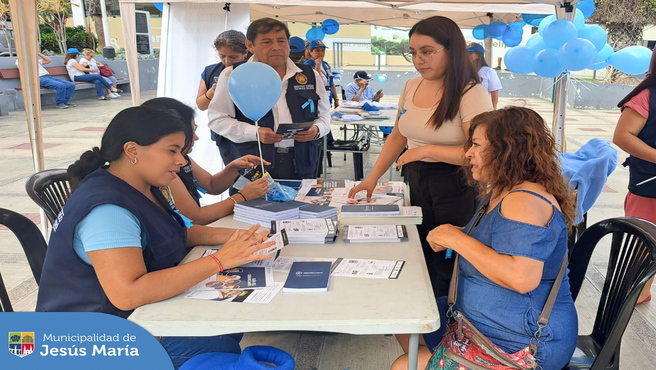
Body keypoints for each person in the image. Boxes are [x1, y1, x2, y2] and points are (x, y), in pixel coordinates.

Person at [35, 106, 274, 369]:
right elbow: (127, 293)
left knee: (224, 319)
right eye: (171, 151)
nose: (181, 161)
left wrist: (246, 238)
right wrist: (219, 261)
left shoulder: (142, 186)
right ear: (132, 150)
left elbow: (175, 233)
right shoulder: (108, 211)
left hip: (132, 318)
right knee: (212, 343)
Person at [392, 107, 578, 370]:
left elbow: (521, 278)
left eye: (477, 145)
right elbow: (497, 242)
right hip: (476, 321)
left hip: (519, 343)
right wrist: (454, 234)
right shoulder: (504, 191)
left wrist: (455, 239)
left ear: (507, 150)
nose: (468, 153)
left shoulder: (524, 201)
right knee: (404, 320)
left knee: (404, 365)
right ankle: (445, 356)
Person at [348, 16, 492, 297]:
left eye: (427, 51)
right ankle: (427, 315)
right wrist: (372, 179)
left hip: (456, 183)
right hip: (417, 177)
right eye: (413, 53)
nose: (418, 60)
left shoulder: (471, 93)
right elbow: (397, 136)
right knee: (423, 245)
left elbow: (480, 153)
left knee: (448, 256)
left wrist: (426, 150)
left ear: (451, 50)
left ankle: (448, 322)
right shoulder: (411, 86)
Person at [208, 18, 331, 180]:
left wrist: (316, 131)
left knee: (301, 204)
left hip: (302, 161)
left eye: (282, 41)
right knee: (252, 205)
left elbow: (325, 115)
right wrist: (255, 133)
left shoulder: (309, 75)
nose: (276, 47)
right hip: (253, 162)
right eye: (267, 42)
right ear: (250, 45)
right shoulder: (233, 75)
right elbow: (217, 120)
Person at [142, 97, 269, 225]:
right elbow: (196, 218)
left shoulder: (182, 158)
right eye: (192, 132)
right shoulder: (164, 168)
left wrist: (234, 168)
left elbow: (211, 185)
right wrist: (243, 197)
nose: (196, 138)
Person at [612, 49, 656, 305]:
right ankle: (636, 292)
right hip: (649, 185)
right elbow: (622, 136)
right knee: (644, 243)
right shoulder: (647, 96)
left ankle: (643, 290)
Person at [196, 30, 249, 112]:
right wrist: (213, 91)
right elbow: (201, 105)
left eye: (233, 57)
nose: (227, 61)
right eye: (222, 56)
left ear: (246, 52)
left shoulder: (253, 71)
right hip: (219, 122)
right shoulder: (210, 71)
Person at [304, 40, 339, 109]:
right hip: (316, 102)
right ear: (311, 52)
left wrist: (336, 99)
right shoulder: (307, 65)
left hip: (328, 100)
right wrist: (317, 65)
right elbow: (317, 81)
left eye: (323, 50)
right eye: (317, 50)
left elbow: (331, 82)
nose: (321, 53)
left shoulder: (325, 64)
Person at [468, 43, 502, 109]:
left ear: (478, 55)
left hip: (484, 109)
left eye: (470, 52)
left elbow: (494, 93)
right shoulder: (464, 71)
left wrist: (493, 110)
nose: (467, 55)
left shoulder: (489, 71)